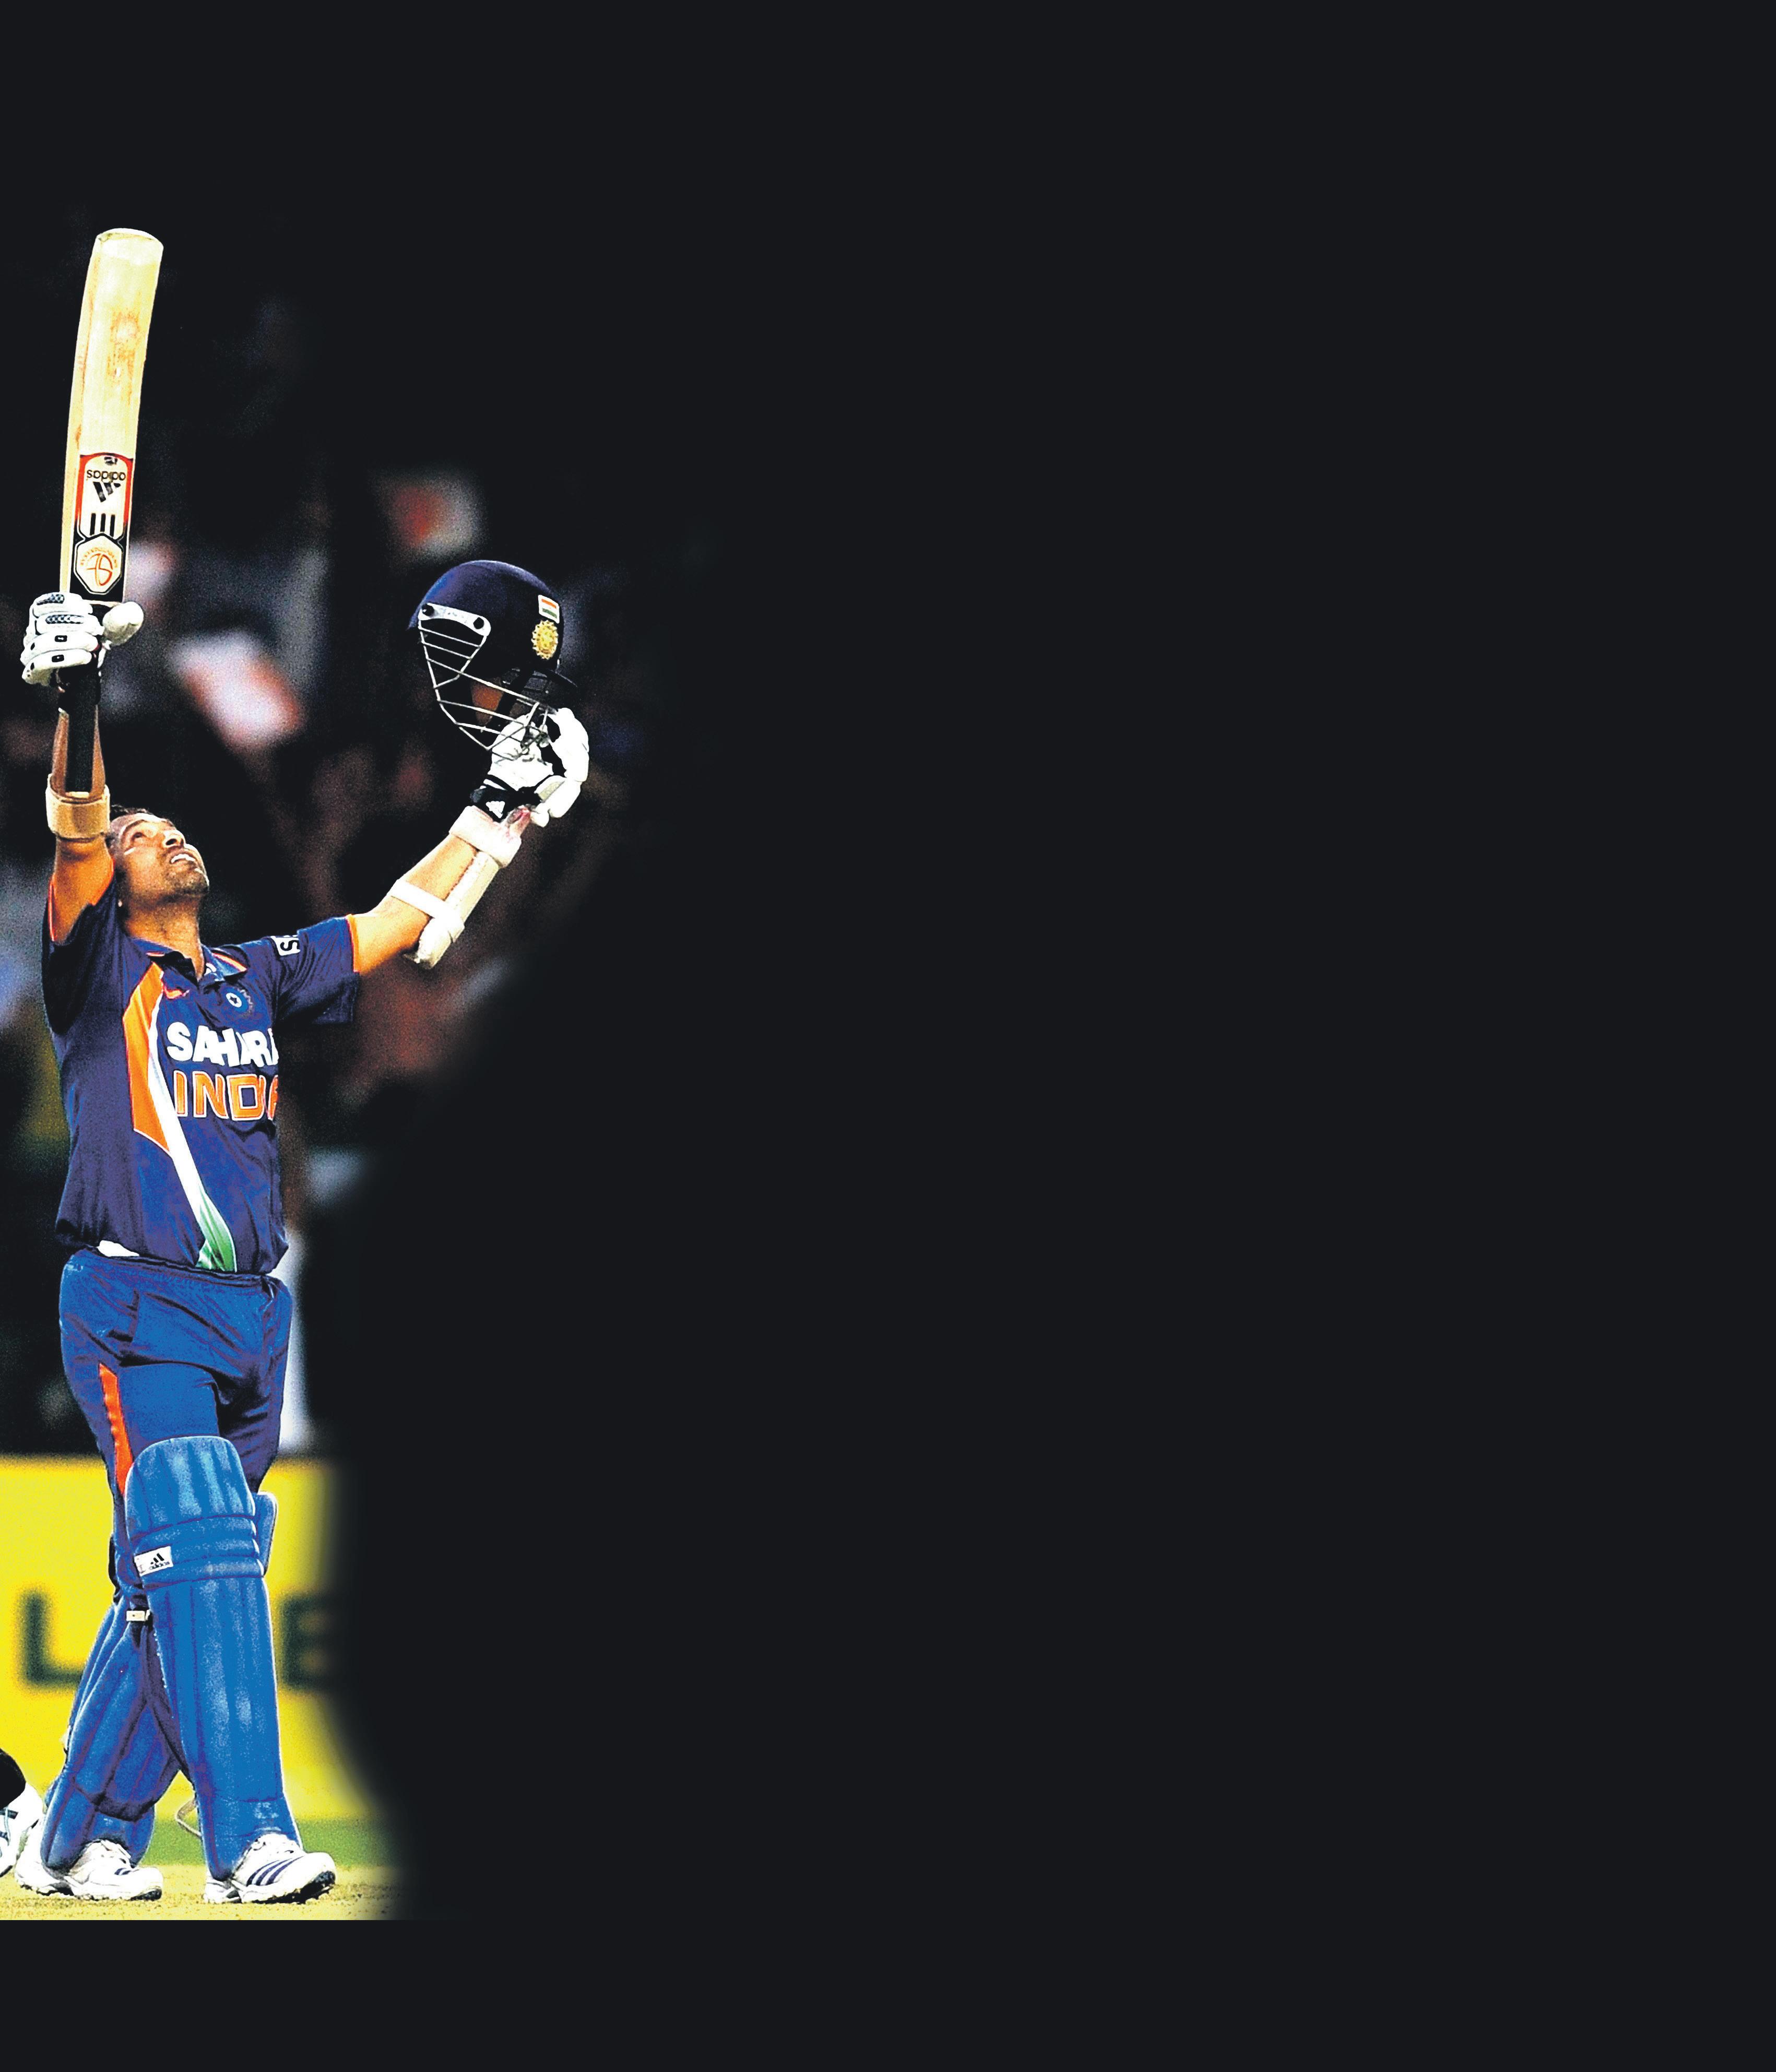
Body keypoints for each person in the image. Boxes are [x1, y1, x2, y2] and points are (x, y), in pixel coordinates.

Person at [10, 561, 588, 1904]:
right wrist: (81, 695)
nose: (163, 835)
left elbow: (400, 925)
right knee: (200, 1537)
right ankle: (250, 1840)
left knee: (178, 1574)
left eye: (167, 823)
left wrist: (500, 807)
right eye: (142, 833)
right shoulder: (98, 975)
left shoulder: (251, 974)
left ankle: (77, 1836)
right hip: (137, 1303)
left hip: (250, 1317)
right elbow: (79, 821)